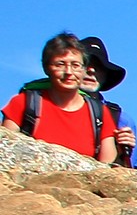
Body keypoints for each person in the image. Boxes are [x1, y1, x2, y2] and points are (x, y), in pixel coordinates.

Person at [4, 33, 121, 161]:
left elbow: (105, 169)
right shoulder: (24, 103)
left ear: (84, 69)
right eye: (60, 64)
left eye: (75, 65)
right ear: (46, 68)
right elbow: (6, 151)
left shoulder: (100, 113)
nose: (69, 72)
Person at [78, 38, 137, 166]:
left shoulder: (121, 119)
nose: (92, 70)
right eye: (86, 64)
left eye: (99, 66)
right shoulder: (43, 104)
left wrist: (125, 153)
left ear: (105, 75)